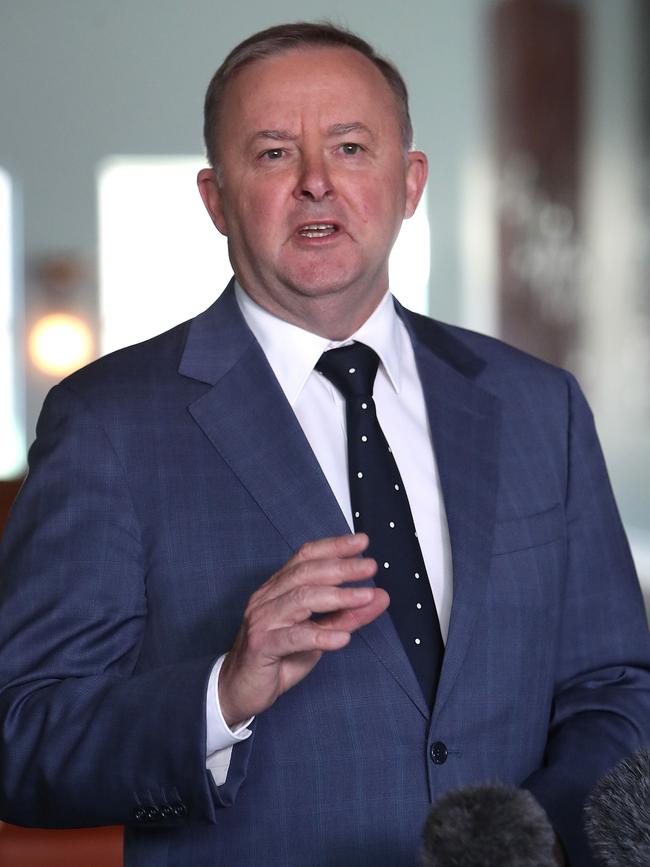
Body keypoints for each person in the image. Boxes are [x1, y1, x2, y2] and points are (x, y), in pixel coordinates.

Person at [0, 21, 648, 867]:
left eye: (349, 147)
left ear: (409, 182)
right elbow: (23, 738)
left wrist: (542, 842)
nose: (315, 183)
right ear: (215, 198)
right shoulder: (107, 422)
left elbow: (615, 686)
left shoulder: (536, 404)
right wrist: (222, 694)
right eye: (272, 153)